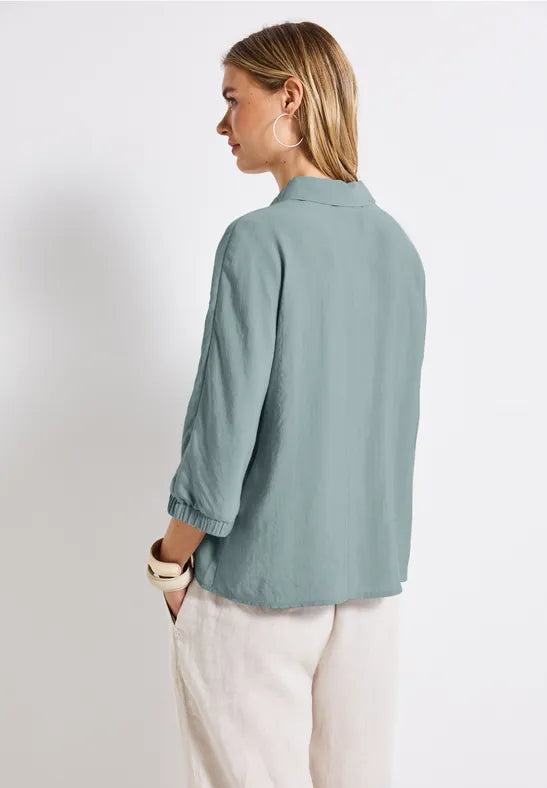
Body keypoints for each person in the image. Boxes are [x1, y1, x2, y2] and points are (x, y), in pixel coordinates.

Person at [146, 20, 427, 788]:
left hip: (255, 594)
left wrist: (168, 563)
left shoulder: (256, 241)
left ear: (290, 98)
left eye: (234, 99)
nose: (223, 122)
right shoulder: (398, 249)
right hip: (368, 595)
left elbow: (221, 439)